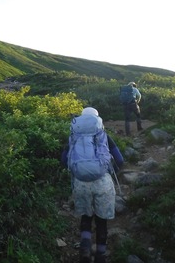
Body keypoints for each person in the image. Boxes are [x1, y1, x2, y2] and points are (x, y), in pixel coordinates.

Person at [61, 107, 124, 263]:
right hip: (102, 182)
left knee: (86, 217)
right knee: (102, 221)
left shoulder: (73, 137)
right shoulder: (104, 136)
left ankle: (84, 250)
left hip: (81, 183)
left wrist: (79, 171)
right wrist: (109, 170)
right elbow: (120, 160)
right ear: (98, 120)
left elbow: (64, 160)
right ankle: (100, 255)